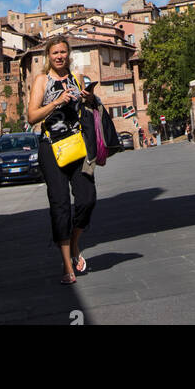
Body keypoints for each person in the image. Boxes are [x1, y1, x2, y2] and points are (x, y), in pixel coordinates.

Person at [26, 36, 121, 283]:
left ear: (68, 55)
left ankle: (75, 242)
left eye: (63, 52)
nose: (59, 56)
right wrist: (57, 102)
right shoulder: (41, 81)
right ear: (48, 56)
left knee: (87, 199)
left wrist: (88, 99)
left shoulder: (77, 79)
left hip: (79, 146)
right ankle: (67, 266)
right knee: (59, 205)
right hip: (51, 148)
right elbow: (32, 116)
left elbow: (86, 109)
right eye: (54, 53)